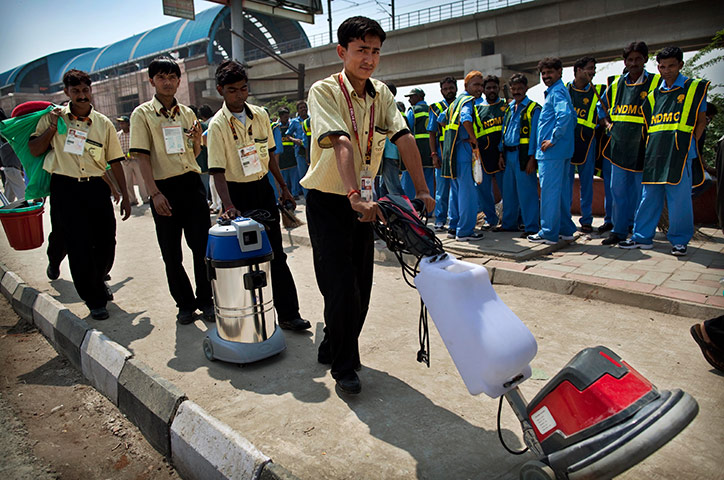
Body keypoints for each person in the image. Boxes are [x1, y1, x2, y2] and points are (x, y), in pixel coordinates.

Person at [301, 16, 434, 395]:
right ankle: (344, 365)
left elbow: (404, 137)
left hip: (366, 202)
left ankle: (332, 344)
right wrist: (354, 196)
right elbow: (342, 142)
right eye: (361, 50)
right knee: (339, 285)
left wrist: (422, 190)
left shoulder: (382, 94)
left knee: (361, 285)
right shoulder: (324, 91)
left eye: (375, 51)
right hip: (330, 201)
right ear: (342, 51)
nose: (369, 59)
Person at [206, 60, 310, 331]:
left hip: (263, 189)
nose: (239, 95)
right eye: (232, 90)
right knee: (245, 260)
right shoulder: (217, 125)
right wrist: (228, 204)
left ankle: (289, 314)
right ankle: (249, 320)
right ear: (221, 90)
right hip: (236, 195)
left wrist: (283, 188)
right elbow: (217, 171)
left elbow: (271, 156)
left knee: (276, 253)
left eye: (243, 89)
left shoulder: (261, 115)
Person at [28, 69, 130, 320]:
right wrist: (52, 126)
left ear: (90, 90)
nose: (82, 96)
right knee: (78, 244)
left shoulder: (104, 123)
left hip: (96, 187)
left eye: (85, 90)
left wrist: (126, 195)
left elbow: (115, 160)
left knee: (107, 240)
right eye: (76, 91)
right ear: (67, 93)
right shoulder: (53, 118)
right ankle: (94, 298)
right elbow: (34, 149)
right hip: (65, 188)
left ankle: (97, 277)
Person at [129, 56, 212, 325]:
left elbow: (194, 153)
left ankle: (206, 301)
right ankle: (185, 304)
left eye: (172, 77)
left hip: (191, 184)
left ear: (179, 81)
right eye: (162, 78)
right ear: (152, 81)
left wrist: (198, 140)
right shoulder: (142, 114)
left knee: (202, 249)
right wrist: (154, 194)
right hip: (164, 188)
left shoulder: (187, 113)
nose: (168, 82)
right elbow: (142, 157)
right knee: (171, 253)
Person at [619, 46, 709, 256]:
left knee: (679, 199)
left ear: (680, 65)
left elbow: (701, 122)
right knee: (649, 197)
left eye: (671, 66)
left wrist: (688, 145)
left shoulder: (694, 88)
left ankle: (679, 241)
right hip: (655, 153)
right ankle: (642, 238)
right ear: (657, 67)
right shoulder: (653, 95)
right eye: (662, 66)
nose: (666, 70)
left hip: (680, 153)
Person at [598, 41, 662, 246]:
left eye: (638, 59)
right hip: (618, 149)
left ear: (645, 60)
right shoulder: (616, 84)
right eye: (630, 59)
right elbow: (601, 110)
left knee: (641, 194)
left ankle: (638, 230)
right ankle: (618, 230)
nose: (633, 63)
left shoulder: (656, 83)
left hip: (644, 149)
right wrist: (608, 125)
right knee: (617, 193)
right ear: (625, 61)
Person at [528, 57, 577, 245]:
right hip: (562, 152)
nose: (546, 77)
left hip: (551, 153)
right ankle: (566, 229)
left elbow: (564, 116)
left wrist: (554, 139)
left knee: (549, 193)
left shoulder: (556, 92)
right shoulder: (560, 91)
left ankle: (548, 233)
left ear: (559, 73)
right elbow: (572, 117)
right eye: (543, 74)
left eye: (550, 73)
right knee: (561, 193)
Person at [439, 71, 485, 241]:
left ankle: (453, 227)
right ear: (466, 86)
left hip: (451, 152)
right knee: (468, 193)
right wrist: (472, 139)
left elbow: (441, 120)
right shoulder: (467, 102)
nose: (480, 88)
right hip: (464, 150)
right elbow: (466, 119)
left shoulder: (454, 103)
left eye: (481, 84)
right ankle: (465, 231)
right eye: (476, 85)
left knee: (456, 192)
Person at [497, 73, 541, 236]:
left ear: (526, 88)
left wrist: (532, 159)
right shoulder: (509, 108)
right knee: (509, 192)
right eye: (513, 89)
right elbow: (504, 131)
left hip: (523, 156)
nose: (516, 92)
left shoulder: (533, 109)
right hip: (508, 155)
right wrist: (501, 154)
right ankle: (509, 224)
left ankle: (531, 227)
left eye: (519, 89)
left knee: (527, 193)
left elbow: (535, 136)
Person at [567, 57, 605, 233]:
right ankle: (565, 219)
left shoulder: (598, 92)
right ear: (578, 70)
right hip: (566, 143)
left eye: (594, 69)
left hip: (588, 143)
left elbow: (604, 117)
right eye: (589, 68)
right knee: (565, 184)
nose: (593, 72)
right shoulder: (565, 91)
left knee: (587, 184)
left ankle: (587, 220)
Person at [475, 75, 507, 229]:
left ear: (499, 88)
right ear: (483, 90)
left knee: (507, 189)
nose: (492, 90)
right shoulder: (477, 108)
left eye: (494, 87)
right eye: (488, 88)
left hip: (503, 155)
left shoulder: (506, 106)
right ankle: (490, 219)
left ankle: (508, 219)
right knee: (483, 190)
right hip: (484, 155)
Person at [428, 76, 457, 231]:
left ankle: (455, 220)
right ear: (441, 91)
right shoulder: (435, 107)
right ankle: (440, 219)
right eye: (445, 89)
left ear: (456, 88)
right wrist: (434, 154)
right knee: (442, 189)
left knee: (457, 188)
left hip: (458, 151)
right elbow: (432, 133)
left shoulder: (461, 105)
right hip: (441, 152)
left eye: (451, 88)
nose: (449, 91)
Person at [401, 87, 434, 197]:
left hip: (415, 151)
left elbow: (406, 129)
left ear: (419, 97)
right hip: (430, 151)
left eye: (411, 97)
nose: (409, 100)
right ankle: (428, 209)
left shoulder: (413, 110)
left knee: (410, 179)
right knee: (428, 180)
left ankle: (410, 209)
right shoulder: (431, 109)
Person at [378, 82, 404, 197]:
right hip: (386, 155)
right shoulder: (387, 107)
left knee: (393, 188)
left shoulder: (390, 108)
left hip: (390, 154)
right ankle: (388, 213)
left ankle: (404, 212)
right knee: (383, 187)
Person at [116, 115, 148, 206]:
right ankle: (132, 199)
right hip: (125, 162)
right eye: (120, 123)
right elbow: (117, 147)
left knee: (141, 180)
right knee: (128, 181)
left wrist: (131, 155)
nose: (121, 125)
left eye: (123, 123)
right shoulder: (118, 135)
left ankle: (145, 198)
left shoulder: (133, 134)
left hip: (136, 160)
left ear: (128, 124)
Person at [274, 108, 302, 197]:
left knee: (294, 176)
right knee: (284, 177)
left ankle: (295, 193)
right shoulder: (276, 127)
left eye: (287, 116)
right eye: (284, 117)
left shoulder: (292, 125)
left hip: (291, 154)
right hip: (282, 156)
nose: (286, 118)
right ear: (280, 117)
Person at [287, 100, 310, 196]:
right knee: (303, 175)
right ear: (298, 111)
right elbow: (288, 135)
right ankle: (307, 196)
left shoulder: (311, 120)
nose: (303, 109)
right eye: (301, 108)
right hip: (300, 152)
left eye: (304, 107)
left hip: (311, 150)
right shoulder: (294, 122)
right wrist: (295, 140)